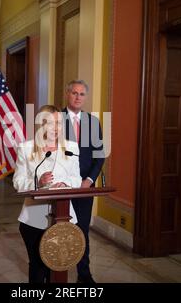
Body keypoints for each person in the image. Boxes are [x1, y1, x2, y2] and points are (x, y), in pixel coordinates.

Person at [13, 105, 82, 283]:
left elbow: (77, 180)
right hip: (34, 219)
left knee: (59, 265)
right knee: (38, 267)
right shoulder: (26, 148)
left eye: (59, 123)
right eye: (50, 123)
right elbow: (18, 182)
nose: (56, 127)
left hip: (64, 218)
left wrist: (66, 184)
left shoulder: (72, 147)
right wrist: (38, 183)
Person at [62, 80, 105, 283]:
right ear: (67, 94)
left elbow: (100, 156)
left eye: (82, 94)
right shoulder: (55, 119)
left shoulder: (93, 122)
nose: (78, 97)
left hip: (84, 187)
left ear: (85, 97)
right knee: (56, 230)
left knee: (82, 230)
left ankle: (84, 274)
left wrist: (88, 180)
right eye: (74, 93)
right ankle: (52, 272)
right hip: (60, 187)